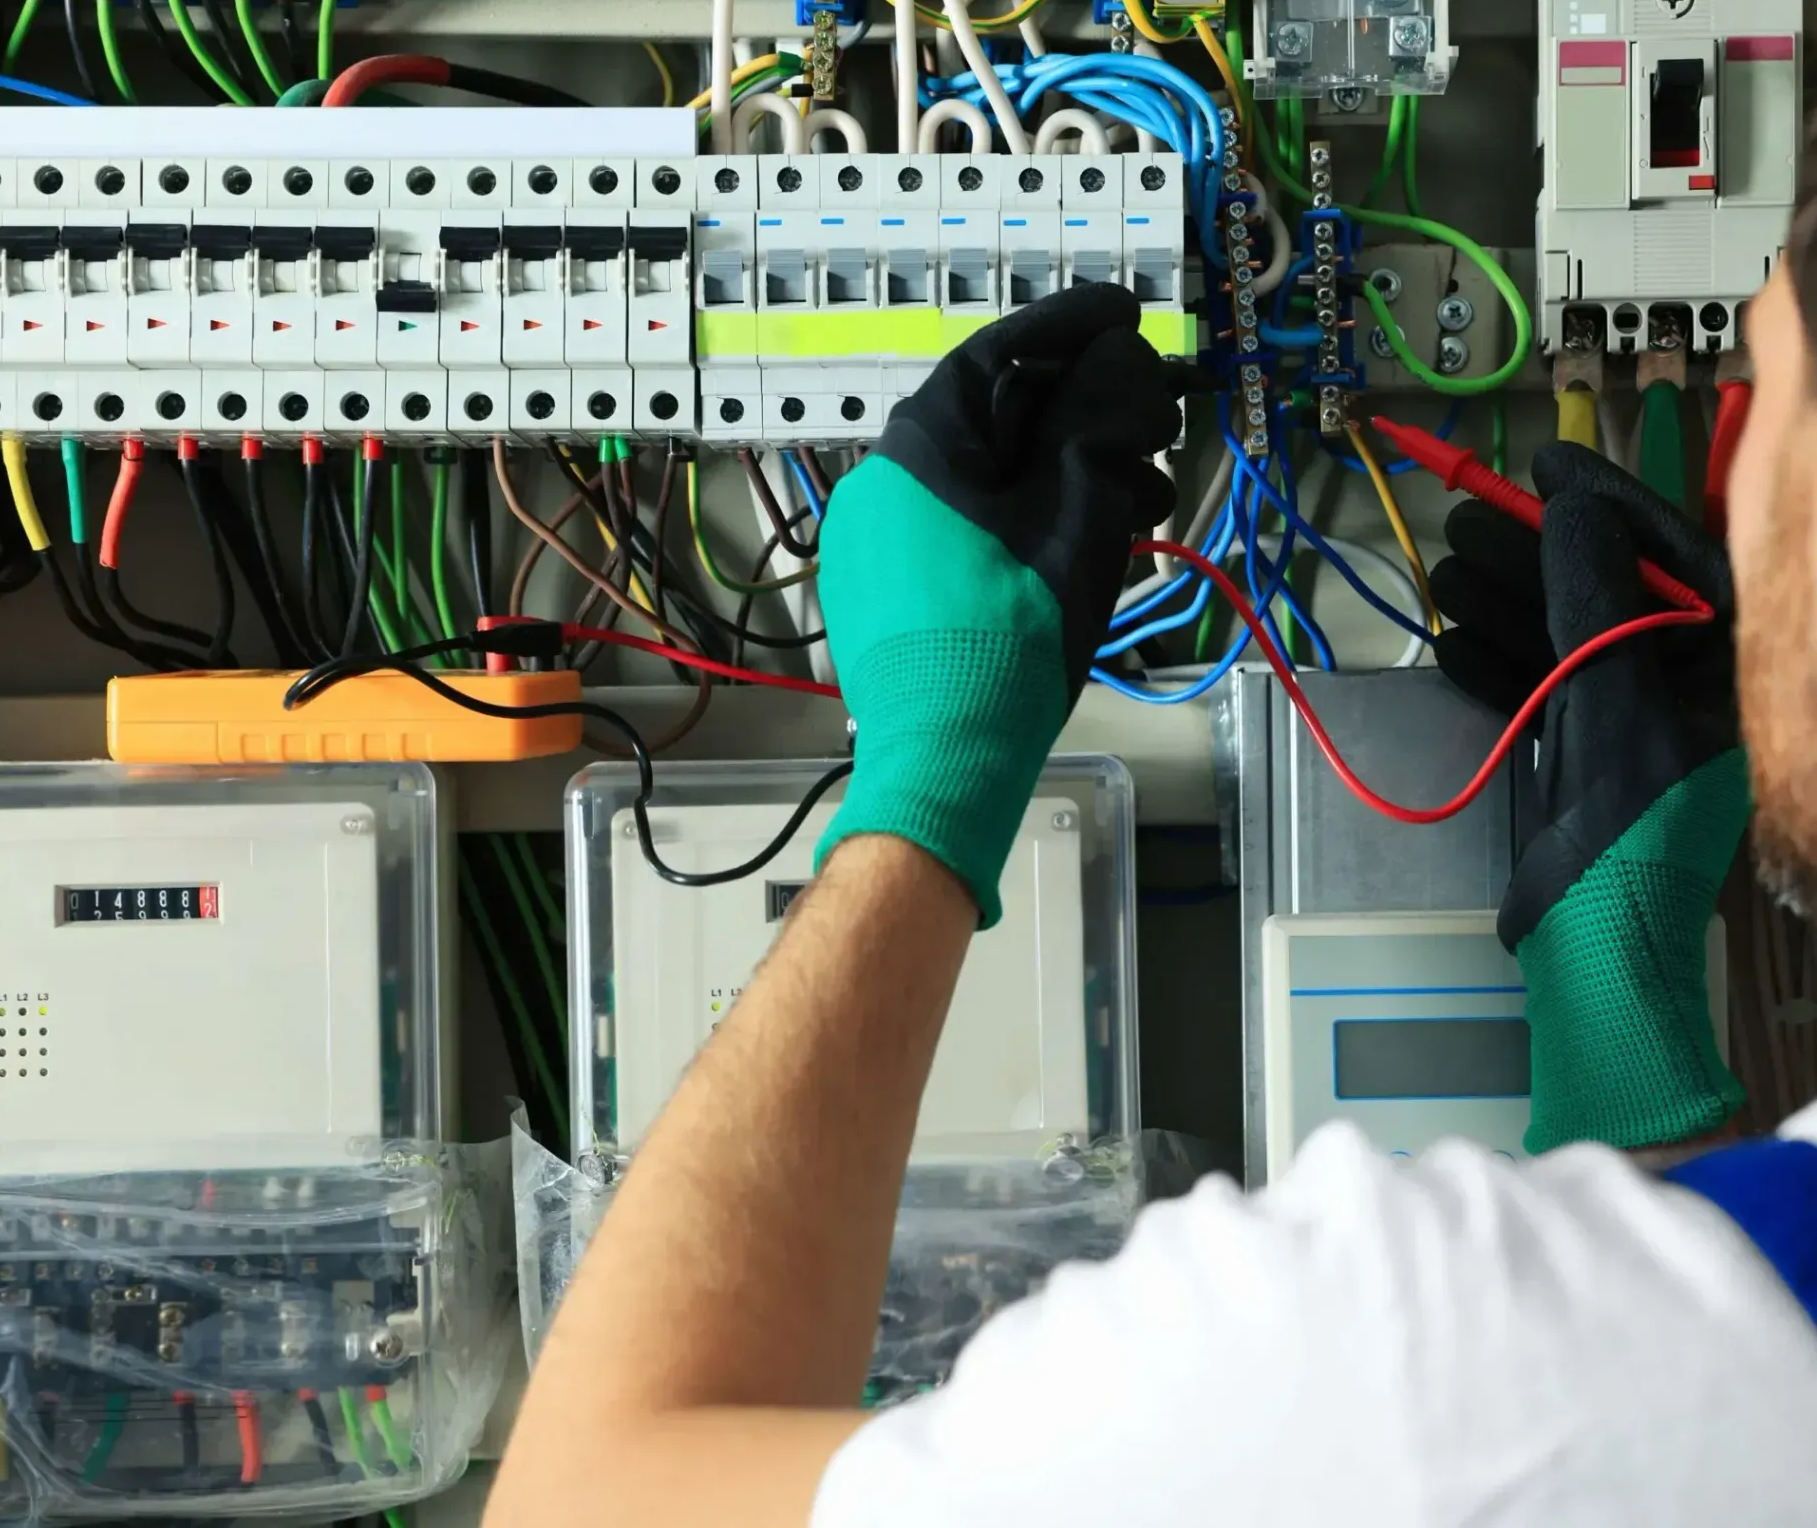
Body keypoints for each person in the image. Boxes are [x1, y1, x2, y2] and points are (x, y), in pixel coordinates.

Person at [484, 248, 1817, 1526]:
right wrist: (1626, 1012)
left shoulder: (1408, 1356)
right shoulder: (1505, 1372)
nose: (1738, 472)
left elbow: (586, 1503)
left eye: (1767, 394)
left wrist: (928, 781)